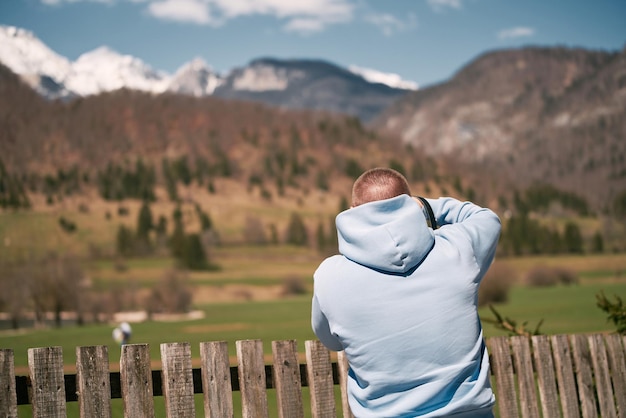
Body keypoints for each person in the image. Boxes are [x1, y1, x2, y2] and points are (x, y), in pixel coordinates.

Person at [311, 167, 501, 417]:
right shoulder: (457, 249)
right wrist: (425, 205)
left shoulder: (329, 277)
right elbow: (485, 218)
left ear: (352, 211)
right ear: (410, 206)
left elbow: (331, 340)